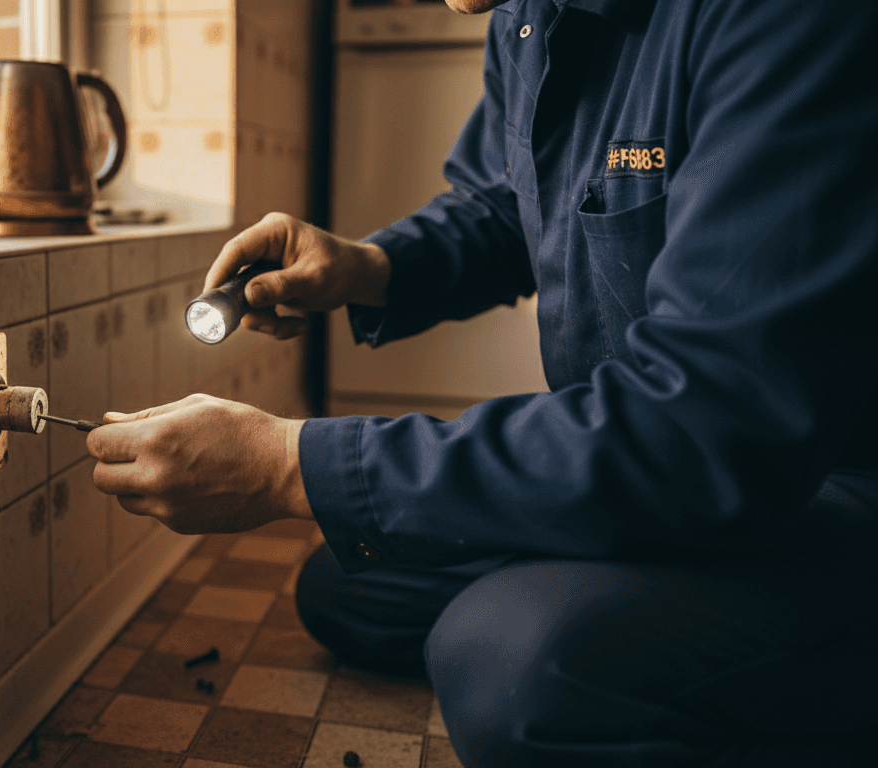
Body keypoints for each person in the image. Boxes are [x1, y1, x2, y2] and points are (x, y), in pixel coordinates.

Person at [87, 0, 878, 764]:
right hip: (666, 474)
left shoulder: (787, 15)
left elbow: (709, 427)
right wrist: (367, 266)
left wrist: (290, 463)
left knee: (508, 663)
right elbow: (510, 206)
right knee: (352, 586)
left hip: (817, 485)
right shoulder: (526, 16)